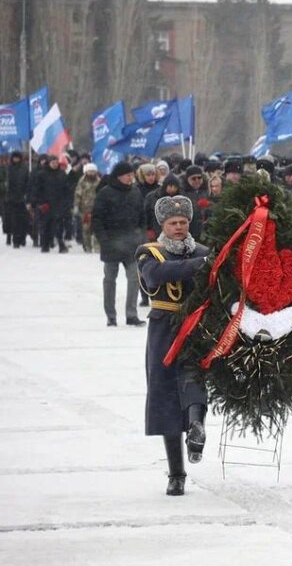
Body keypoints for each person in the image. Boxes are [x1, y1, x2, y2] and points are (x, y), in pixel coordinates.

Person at [135, 195, 211, 496]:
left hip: (196, 327)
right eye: (172, 223)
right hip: (164, 328)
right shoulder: (150, 252)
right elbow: (157, 275)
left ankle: (195, 429)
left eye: (183, 222)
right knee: (165, 396)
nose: (179, 227)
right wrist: (201, 265)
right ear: (162, 226)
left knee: (195, 380)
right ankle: (176, 473)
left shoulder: (203, 251)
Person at [92, 162, 147, 327]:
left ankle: (131, 314)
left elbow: (142, 216)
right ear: (119, 176)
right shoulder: (105, 193)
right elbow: (97, 219)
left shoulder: (135, 192)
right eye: (128, 175)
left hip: (132, 244)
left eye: (132, 175)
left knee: (134, 278)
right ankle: (111, 316)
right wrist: (103, 240)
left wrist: (141, 235)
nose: (131, 178)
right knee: (110, 280)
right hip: (111, 243)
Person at [26, 154, 71, 253]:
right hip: (45, 205)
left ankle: (61, 244)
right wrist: (38, 202)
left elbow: (67, 189)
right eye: (53, 162)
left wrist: (68, 202)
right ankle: (45, 245)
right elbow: (36, 189)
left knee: (59, 226)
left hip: (59, 204)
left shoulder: (62, 174)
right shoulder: (41, 174)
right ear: (49, 163)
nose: (55, 164)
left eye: (56, 162)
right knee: (45, 225)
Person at [4, 151, 30, 248]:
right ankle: (15, 240)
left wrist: (26, 194)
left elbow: (27, 182)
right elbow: (7, 182)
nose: (16, 159)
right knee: (13, 220)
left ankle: (22, 238)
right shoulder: (9, 168)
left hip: (22, 198)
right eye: (14, 157)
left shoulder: (24, 168)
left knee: (23, 220)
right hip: (11, 198)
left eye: (17, 157)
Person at [74, 163, 101, 253]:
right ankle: (87, 247)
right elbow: (78, 194)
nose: (92, 173)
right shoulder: (82, 181)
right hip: (85, 210)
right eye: (90, 171)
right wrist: (76, 206)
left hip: (97, 209)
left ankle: (97, 248)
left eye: (93, 171)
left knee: (97, 229)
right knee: (86, 229)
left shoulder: (99, 181)